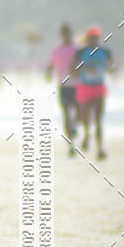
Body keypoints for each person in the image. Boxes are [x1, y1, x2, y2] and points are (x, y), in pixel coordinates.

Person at [72, 26, 114, 160]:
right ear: (88, 38)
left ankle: (100, 149)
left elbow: (112, 67)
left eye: (96, 37)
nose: (94, 40)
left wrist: (110, 68)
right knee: (85, 118)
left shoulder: (105, 52)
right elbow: (73, 70)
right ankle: (86, 134)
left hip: (98, 87)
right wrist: (85, 68)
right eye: (91, 37)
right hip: (85, 87)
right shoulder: (81, 52)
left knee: (98, 120)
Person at [46, 23, 78, 155]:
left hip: (78, 85)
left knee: (78, 113)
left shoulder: (77, 49)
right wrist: (48, 73)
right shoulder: (57, 50)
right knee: (66, 114)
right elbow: (51, 65)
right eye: (64, 34)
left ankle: (74, 128)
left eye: (68, 33)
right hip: (63, 86)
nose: (66, 36)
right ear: (61, 35)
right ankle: (71, 144)